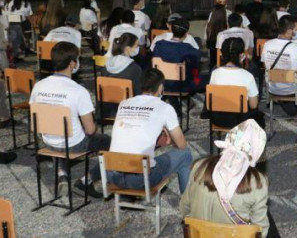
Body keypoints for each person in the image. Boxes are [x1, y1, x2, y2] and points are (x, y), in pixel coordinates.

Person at [29, 41, 111, 197]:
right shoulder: (78, 91)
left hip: (48, 140)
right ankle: (87, 180)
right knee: (108, 142)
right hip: (73, 144)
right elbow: (90, 130)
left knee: (61, 135)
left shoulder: (38, 85)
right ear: (73, 63)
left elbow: (35, 116)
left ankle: (62, 172)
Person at [180, 120, 278, 237]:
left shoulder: (199, 166)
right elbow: (261, 231)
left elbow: (184, 208)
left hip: (199, 234)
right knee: (266, 219)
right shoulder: (257, 182)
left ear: (229, 138)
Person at [107, 68, 193, 193]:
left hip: (113, 175)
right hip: (141, 178)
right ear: (160, 87)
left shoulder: (124, 103)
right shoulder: (165, 108)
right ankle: (187, 201)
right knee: (185, 154)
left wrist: (156, 140)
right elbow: (182, 145)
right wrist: (170, 140)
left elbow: (132, 133)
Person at [209, 37, 265, 128]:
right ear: (242, 55)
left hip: (218, 119)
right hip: (240, 120)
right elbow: (253, 105)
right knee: (259, 117)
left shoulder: (215, 73)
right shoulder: (248, 76)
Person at [261, 16, 297, 116]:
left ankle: (284, 104)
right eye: (295, 29)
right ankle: (295, 107)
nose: (295, 31)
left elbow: (265, 66)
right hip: (292, 89)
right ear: (289, 31)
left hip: (272, 88)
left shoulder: (267, 44)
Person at [153, 17, 202, 95]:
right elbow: (196, 62)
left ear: (171, 29)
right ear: (186, 33)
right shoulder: (188, 49)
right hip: (182, 85)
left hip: (161, 83)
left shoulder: (158, 46)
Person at [105, 33, 143, 98]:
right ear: (128, 48)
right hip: (128, 103)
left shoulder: (106, 65)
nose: (138, 48)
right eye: (136, 46)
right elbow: (138, 93)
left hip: (108, 100)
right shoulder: (135, 69)